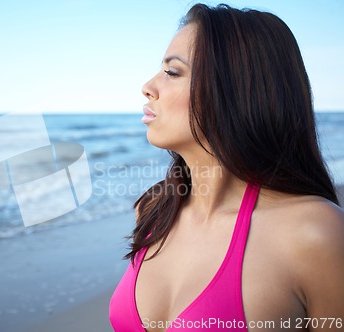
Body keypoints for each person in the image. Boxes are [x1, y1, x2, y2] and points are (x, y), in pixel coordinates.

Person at [109, 3, 344, 332]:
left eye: (172, 72)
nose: (148, 85)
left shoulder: (315, 233)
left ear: (237, 90)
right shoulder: (154, 212)